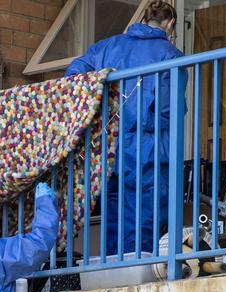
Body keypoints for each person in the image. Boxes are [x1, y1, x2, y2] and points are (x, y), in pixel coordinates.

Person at [66, 0, 184, 256]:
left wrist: (96, 110)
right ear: (170, 23)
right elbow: (168, 109)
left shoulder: (108, 46)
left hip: (109, 144)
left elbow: (75, 73)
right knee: (146, 216)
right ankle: (137, 272)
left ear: (143, 19)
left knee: (113, 211)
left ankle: (112, 269)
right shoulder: (169, 54)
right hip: (148, 147)